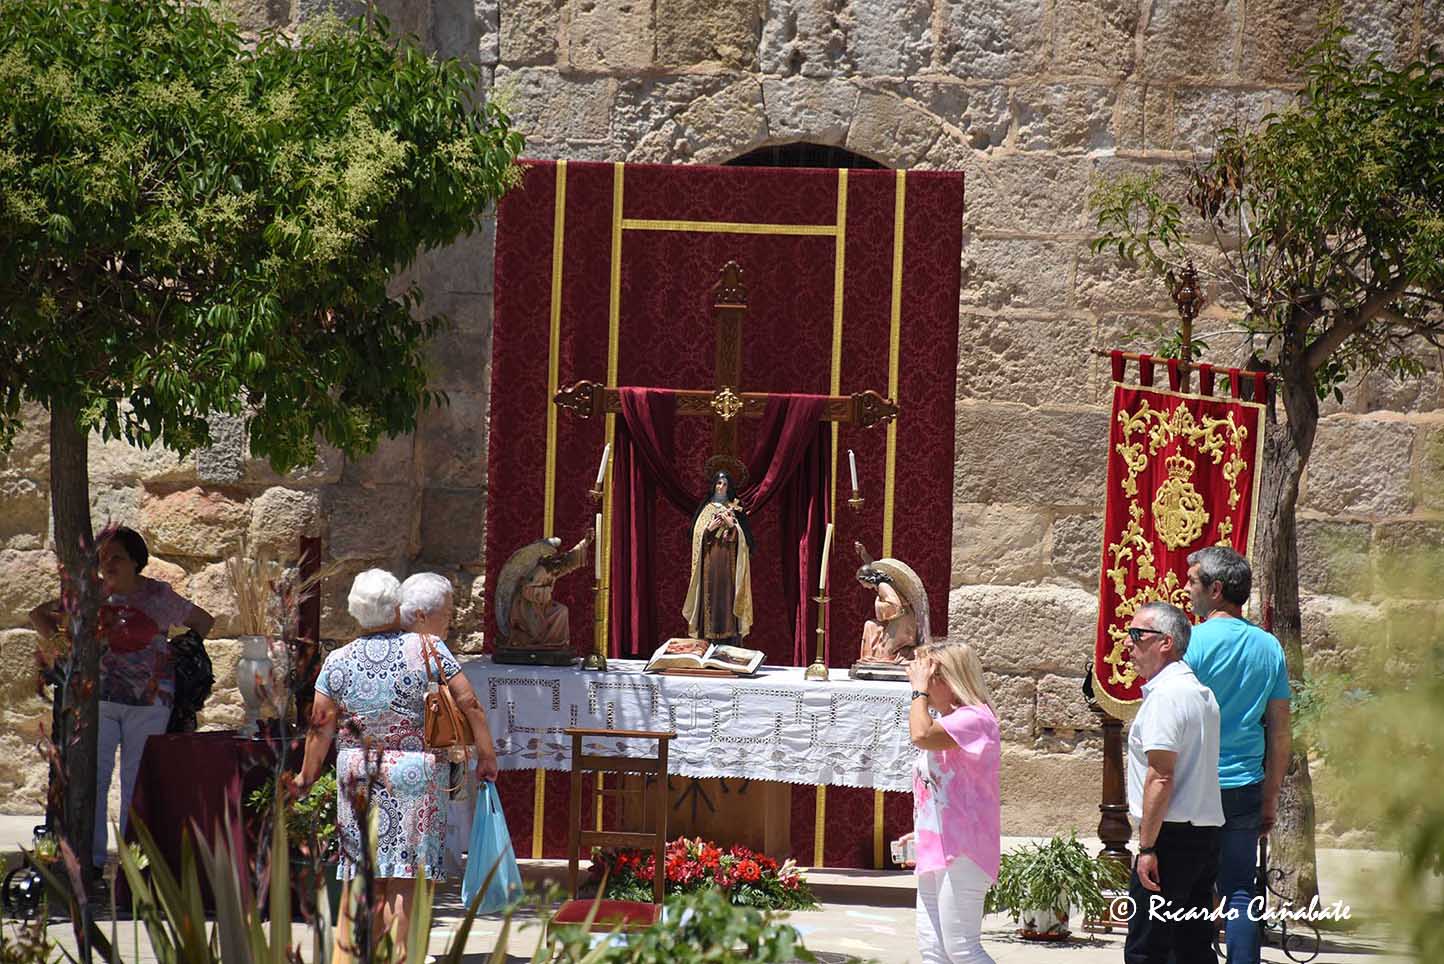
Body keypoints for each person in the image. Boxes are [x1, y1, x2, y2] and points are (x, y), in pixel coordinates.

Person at [297, 569, 488, 942]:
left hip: (358, 773)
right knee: (405, 875)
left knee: (364, 875)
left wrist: (306, 775)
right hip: (416, 774)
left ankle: (360, 953)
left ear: (354, 611)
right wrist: (486, 754)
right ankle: (399, 955)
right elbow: (469, 702)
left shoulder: (337, 660)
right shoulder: (428, 648)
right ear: (397, 606)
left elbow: (320, 727)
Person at [30, 526, 214, 875]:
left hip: (149, 704)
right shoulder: (91, 594)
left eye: (117, 557)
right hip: (99, 701)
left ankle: (135, 866)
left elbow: (204, 622)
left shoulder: (159, 596)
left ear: (135, 561)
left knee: (136, 781)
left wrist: (176, 653)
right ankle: (93, 862)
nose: (108, 564)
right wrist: (62, 646)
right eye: (103, 558)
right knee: (95, 779)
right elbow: (38, 614)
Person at [1184, 546, 1291, 964]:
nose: (1187, 589)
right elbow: (1280, 730)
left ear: (1216, 590)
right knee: (1241, 890)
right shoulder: (1269, 647)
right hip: (1246, 783)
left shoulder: (1191, 643)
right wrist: (1271, 796)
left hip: (1195, 785)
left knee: (1190, 890)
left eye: (1193, 582)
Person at [1123, 601, 1225, 964]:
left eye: (1137, 635)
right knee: (1192, 947)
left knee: (1147, 949)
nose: (1128, 644)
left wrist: (1147, 847)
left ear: (1165, 642)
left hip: (1170, 838)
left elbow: (1161, 775)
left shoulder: (1167, 696)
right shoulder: (1200, 693)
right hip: (1203, 835)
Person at [896, 640, 1000, 964]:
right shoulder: (949, 722)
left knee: (963, 950)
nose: (924, 685)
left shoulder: (976, 718)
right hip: (937, 846)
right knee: (933, 951)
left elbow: (921, 735)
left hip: (965, 850)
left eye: (930, 677)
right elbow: (944, 788)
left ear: (950, 680)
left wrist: (917, 690)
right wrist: (922, 829)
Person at [682, 469, 754, 643]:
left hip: (729, 566)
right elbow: (696, 535)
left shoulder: (735, 508)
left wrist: (733, 527)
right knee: (709, 599)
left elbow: (747, 542)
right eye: (719, 483)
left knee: (728, 599)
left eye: (725, 484)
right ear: (713, 485)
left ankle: (729, 640)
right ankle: (708, 640)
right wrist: (709, 529)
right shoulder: (706, 509)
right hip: (709, 564)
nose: (721, 487)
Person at [494, 533, 592, 652]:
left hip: (541, 606)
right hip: (527, 608)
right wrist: (546, 592)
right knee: (559, 612)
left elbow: (569, 562)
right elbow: (527, 590)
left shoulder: (552, 569)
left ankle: (555, 643)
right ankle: (549, 642)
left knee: (561, 611)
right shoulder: (540, 571)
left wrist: (584, 543)